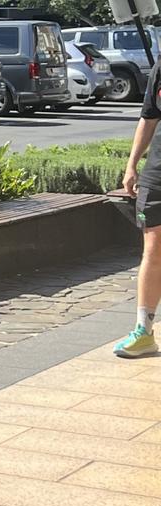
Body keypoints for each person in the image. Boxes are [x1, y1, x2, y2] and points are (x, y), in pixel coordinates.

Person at [119, 63, 161, 358]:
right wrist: (132, 165)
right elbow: (149, 117)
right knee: (153, 248)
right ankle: (144, 332)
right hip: (158, 174)